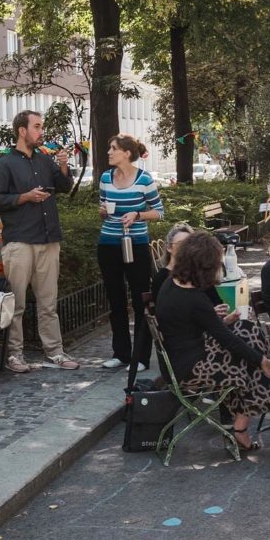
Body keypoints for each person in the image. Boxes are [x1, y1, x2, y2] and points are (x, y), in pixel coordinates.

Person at [155, 231, 270, 454]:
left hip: (182, 357)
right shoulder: (195, 298)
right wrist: (261, 360)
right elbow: (225, 339)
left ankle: (246, 421)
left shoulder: (171, 284)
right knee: (247, 362)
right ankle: (266, 399)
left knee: (246, 329)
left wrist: (227, 320)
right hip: (189, 369)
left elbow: (202, 326)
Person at [0, 109, 78, 373]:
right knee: (16, 304)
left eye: (41, 126)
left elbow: (63, 186)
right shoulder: (5, 164)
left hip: (49, 239)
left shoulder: (44, 160)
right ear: (22, 131)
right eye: (37, 127)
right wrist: (25, 197)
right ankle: (15, 355)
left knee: (49, 303)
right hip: (19, 241)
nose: (41, 131)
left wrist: (62, 165)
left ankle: (55, 352)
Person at [97, 134, 164, 372]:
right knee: (115, 301)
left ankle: (141, 357)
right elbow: (102, 206)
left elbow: (158, 212)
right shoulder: (106, 177)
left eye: (113, 148)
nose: (109, 152)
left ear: (126, 153)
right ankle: (121, 353)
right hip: (108, 244)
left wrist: (137, 215)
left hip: (136, 244)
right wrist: (103, 212)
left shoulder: (144, 179)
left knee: (140, 301)